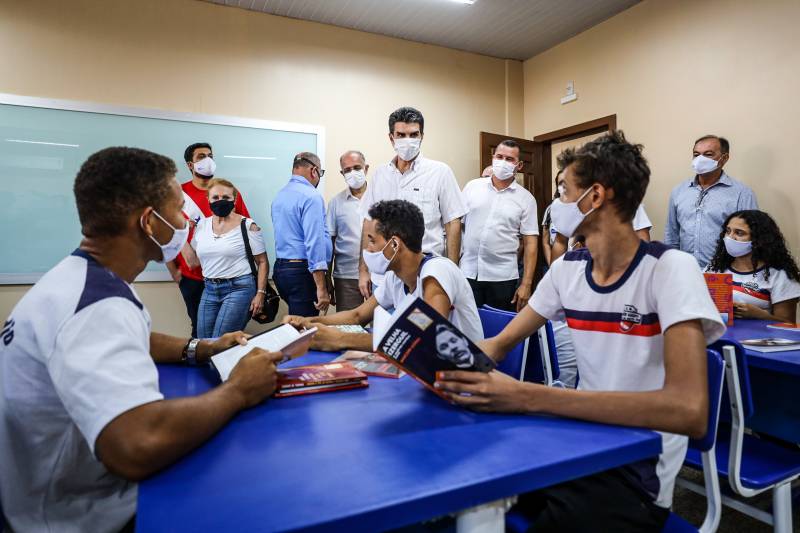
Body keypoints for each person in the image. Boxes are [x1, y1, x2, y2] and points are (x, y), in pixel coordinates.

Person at [435, 131, 726, 531]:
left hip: (636, 468)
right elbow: (498, 345)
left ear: (594, 197)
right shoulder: (569, 269)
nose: (557, 203)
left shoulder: (669, 269)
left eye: (563, 191)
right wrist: (433, 361)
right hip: (577, 441)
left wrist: (528, 396)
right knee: (459, 482)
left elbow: (689, 411)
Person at [0, 147, 282, 533]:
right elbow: (137, 446)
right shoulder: (99, 307)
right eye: (180, 209)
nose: (185, 220)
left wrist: (200, 347)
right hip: (77, 518)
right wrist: (238, 390)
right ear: (150, 222)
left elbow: (132, 337)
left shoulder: (74, 281)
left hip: (32, 495)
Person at [284, 200, 482, 353]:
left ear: (394, 244)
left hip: (464, 380)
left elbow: (422, 337)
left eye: (372, 241)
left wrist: (338, 339)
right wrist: (309, 322)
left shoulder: (437, 271)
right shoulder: (395, 277)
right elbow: (358, 316)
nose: (367, 249)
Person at [357, 107, 467, 298]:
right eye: (401, 135)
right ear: (391, 138)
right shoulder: (380, 175)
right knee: (382, 326)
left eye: (413, 134)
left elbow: (453, 224)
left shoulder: (440, 172)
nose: (408, 140)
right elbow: (368, 224)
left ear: (422, 136)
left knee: (421, 326)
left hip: (425, 275)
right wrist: (363, 270)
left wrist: (452, 271)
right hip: (383, 277)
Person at [170, 142, 251, 337]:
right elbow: (165, 233)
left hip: (229, 277)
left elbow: (246, 229)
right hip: (193, 277)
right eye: (201, 157)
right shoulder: (176, 195)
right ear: (190, 165)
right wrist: (174, 272)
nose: (208, 160)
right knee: (200, 331)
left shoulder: (228, 193)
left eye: (210, 156)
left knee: (226, 334)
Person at [181, 178, 269, 338]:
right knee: (204, 343)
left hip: (239, 288)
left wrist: (260, 293)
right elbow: (193, 262)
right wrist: (179, 234)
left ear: (234, 200)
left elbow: (262, 262)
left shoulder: (248, 225)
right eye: (215, 197)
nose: (220, 201)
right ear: (208, 199)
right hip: (209, 289)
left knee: (221, 341)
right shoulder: (201, 226)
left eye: (226, 198)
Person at [461, 140, 539, 312]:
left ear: (519, 165)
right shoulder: (472, 187)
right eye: (499, 156)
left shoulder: (526, 199)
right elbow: (457, 226)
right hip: (466, 272)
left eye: (509, 159)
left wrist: (526, 284)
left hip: (502, 278)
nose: (503, 162)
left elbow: (531, 243)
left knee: (498, 330)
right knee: (465, 328)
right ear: (493, 158)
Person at [665, 134, 758, 268]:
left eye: (708, 154)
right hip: (686, 271)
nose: (700, 159)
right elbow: (671, 235)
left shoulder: (742, 193)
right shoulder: (679, 191)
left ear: (724, 158)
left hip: (724, 273)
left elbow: (751, 237)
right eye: (696, 155)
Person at [706, 210, 800, 323]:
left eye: (739, 233)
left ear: (759, 239)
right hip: (718, 336)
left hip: (759, 339)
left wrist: (759, 315)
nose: (730, 238)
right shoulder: (715, 267)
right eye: (728, 231)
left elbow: (788, 324)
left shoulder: (779, 274)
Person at [271, 152, 332, 317]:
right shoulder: (311, 196)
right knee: (303, 330)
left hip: (282, 270)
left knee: (295, 324)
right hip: (302, 273)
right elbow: (314, 242)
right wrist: (321, 287)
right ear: (314, 171)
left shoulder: (280, 195)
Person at [327, 150, 369, 311]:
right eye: (347, 170)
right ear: (342, 173)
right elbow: (329, 243)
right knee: (348, 328)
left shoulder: (381, 198)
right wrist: (327, 278)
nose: (353, 173)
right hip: (346, 276)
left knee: (382, 325)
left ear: (366, 168)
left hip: (379, 274)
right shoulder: (336, 203)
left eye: (357, 167)